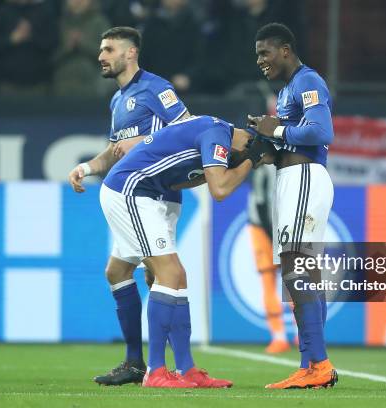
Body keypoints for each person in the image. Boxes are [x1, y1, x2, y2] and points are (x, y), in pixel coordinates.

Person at [99, 115, 272, 387]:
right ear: (250, 144)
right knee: (169, 273)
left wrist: (246, 159)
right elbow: (221, 189)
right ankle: (155, 372)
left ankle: (186, 369)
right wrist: (252, 160)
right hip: (131, 191)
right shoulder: (218, 135)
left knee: (162, 276)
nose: (254, 167)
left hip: (146, 194)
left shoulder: (214, 134)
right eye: (262, 160)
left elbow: (180, 180)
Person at [67, 26, 189, 386]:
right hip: (131, 197)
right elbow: (117, 150)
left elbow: (188, 130)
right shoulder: (118, 100)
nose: (101, 56)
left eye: (108, 49)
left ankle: (173, 366)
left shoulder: (157, 88)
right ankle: (139, 362)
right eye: (101, 50)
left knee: (161, 274)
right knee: (118, 272)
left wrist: (146, 140)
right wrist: (88, 167)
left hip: (154, 196)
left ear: (131, 53)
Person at [248, 22, 338, 389]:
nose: (260, 61)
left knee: (295, 268)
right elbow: (290, 138)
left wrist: (277, 131)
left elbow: (321, 131)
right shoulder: (287, 90)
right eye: (257, 55)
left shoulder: (307, 80)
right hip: (291, 179)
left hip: (305, 179)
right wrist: (265, 145)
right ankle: (310, 365)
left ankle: (318, 364)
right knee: (305, 275)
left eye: (265, 53)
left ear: (285, 49)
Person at [248, 165, 292, 354]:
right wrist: (273, 236)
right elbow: (260, 202)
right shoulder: (263, 167)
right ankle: (279, 337)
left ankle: (303, 334)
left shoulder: (295, 164)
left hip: (287, 228)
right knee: (269, 280)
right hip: (262, 227)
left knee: (295, 279)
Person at [53, 0, 110, 96]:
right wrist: (67, 47)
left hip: (91, 79)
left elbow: (109, 54)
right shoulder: (59, 23)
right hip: (63, 81)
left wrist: (83, 43)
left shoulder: (99, 22)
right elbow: (49, 57)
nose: (77, 1)